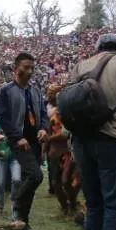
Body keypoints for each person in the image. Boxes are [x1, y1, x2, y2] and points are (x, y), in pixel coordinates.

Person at [70, 33, 116, 230]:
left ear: (98, 48)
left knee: (94, 203)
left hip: (81, 142)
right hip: (115, 140)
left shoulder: (80, 66)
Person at [0, 52, 49, 230]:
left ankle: (23, 223)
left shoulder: (35, 91)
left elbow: (43, 114)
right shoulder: (6, 91)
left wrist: (43, 128)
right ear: (16, 68)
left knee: (30, 181)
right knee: (36, 176)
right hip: (18, 141)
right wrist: (18, 137)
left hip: (35, 140)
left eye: (32, 68)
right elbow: (3, 118)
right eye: (26, 67)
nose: (30, 71)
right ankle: (17, 202)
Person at [45, 84, 80, 216]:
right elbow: (49, 130)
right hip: (54, 153)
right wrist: (45, 148)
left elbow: (65, 134)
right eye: (50, 93)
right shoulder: (53, 114)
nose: (50, 96)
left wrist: (49, 139)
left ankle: (72, 203)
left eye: (53, 93)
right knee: (56, 182)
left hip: (68, 152)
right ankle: (65, 206)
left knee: (67, 181)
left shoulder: (67, 112)